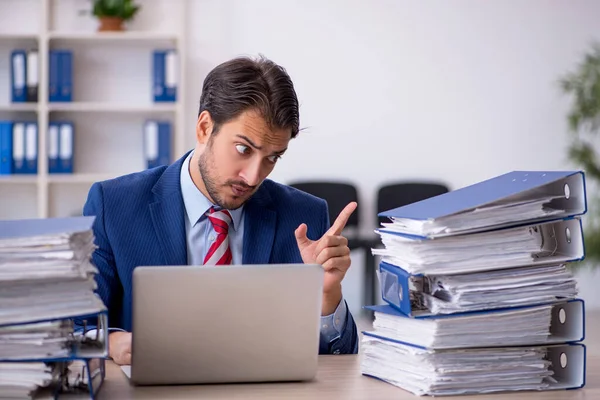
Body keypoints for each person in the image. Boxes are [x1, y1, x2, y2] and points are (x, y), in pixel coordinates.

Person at [82, 55, 359, 366]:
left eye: (272, 158)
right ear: (204, 128)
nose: (254, 176)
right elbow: (79, 326)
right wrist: (114, 341)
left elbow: (339, 362)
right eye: (244, 149)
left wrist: (327, 297)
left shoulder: (303, 216)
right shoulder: (113, 206)